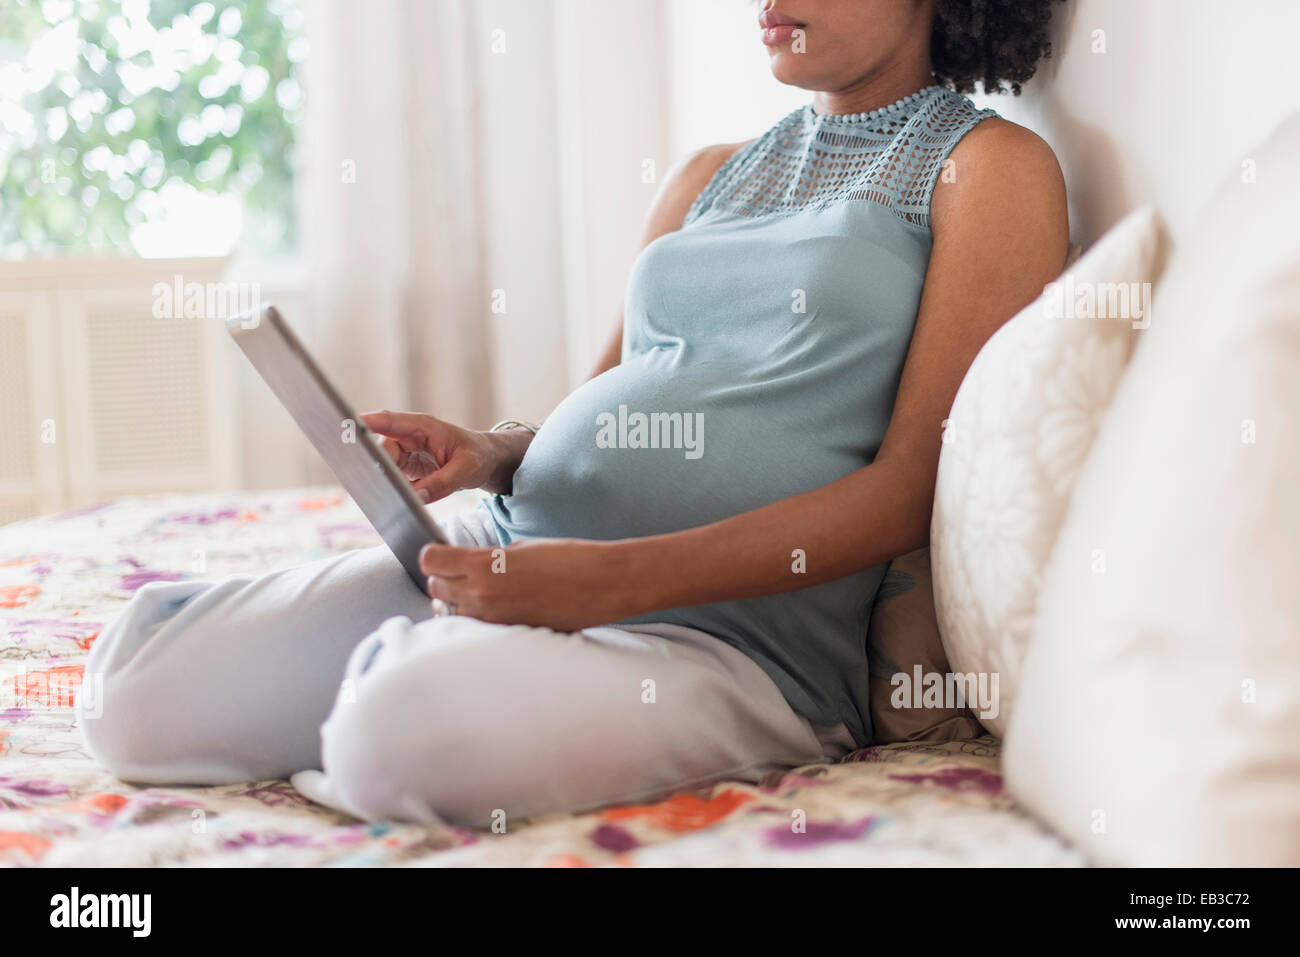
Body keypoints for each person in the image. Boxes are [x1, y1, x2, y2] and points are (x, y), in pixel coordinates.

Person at [81, 0, 1068, 827]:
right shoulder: (707, 174)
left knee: (403, 737)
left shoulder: (988, 169)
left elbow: (907, 490)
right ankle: (403, 691)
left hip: (725, 642)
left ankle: (392, 705)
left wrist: (607, 584)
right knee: (134, 692)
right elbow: (601, 396)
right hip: (516, 555)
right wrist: (491, 450)